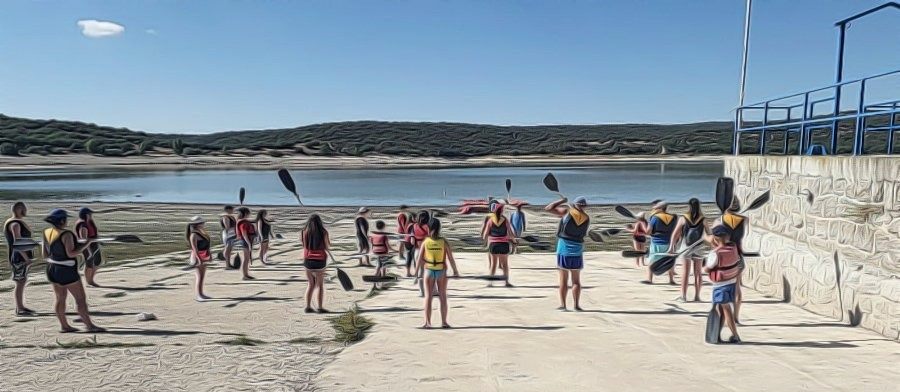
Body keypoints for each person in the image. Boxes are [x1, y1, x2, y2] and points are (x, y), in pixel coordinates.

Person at [41, 209, 105, 333]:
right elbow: (71, 253)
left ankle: (64, 326)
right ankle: (89, 326)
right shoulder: (67, 234)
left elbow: (45, 254)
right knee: (80, 299)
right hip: (67, 270)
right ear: (62, 220)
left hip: (52, 269)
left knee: (60, 298)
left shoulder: (47, 232)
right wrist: (87, 244)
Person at [545, 196, 590, 311]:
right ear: (584, 206)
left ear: (575, 204)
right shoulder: (586, 218)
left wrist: (562, 201)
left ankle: (563, 305)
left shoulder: (566, 212)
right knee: (576, 281)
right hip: (577, 251)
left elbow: (549, 208)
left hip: (564, 249)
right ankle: (576, 305)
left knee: (563, 280)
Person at [416, 218, 459, 329]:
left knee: (428, 297)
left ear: (428, 228)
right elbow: (450, 258)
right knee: (443, 296)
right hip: (442, 271)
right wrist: (455, 271)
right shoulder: (443, 241)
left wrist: (416, 273)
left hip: (429, 271)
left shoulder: (426, 241)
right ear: (439, 228)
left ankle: (428, 323)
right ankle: (444, 322)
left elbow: (419, 258)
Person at [702, 226, 743, 344]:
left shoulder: (714, 254)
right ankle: (717, 336)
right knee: (722, 308)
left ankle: (735, 335)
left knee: (726, 309)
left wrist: (703, 267)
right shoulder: (733, 247)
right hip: (731, 281)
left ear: (715, 237)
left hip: (720, 285)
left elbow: (707, 269)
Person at [669, 198, 708, 302]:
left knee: (685, 272)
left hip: (686, 247)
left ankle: (683, 296)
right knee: (698, 273)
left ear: (689, 206)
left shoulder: (683, 218)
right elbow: (709, 234)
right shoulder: (703, 219)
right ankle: (697, 296)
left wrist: (671, 247)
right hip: (699, 247)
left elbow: (675, 234)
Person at [719, 197, 749, 324]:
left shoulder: (720, 220)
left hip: (724, 256)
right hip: (738, 254)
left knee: (722, 287)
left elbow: (715, 240)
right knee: (737, 287)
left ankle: (725, 317)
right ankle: (735, 317)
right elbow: (746, 237)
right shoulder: (745, 220)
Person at [4, 202, 35, 316]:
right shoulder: (15, 224)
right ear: (19, 209)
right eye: (24, 208)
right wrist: (26, 258)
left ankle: (21, 307)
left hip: (19, 256)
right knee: (20, 282)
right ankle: (19, 308)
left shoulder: (15, 222)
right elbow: (17, 242)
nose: (26, 211)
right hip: (19, 257)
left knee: (22, 281)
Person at [481, 202, 515, 287]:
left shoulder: (490, 220)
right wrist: (514, 241)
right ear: (502, 211)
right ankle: (506, 282)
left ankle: (490, 283)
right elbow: (510, 234)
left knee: (493, 264)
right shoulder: (505, 220)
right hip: (504, 244)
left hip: (493, 244)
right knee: (505, 264)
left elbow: (485, 234)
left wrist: (485, 242)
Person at [301, 214, 330, 313]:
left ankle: (308, 307)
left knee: (310, 284)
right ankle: (320, 307)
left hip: (308, 260)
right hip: (320, 260)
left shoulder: (304, 232)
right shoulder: (324, 232)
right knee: (320, 285)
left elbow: (304, 245)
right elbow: (327, 246)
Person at [646, 201, 677, 285]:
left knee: (652, 260)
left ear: (660, 209)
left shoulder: (654, 218)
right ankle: (671, 280)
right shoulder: (672, 217)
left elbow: (648, 231)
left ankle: (649, 279)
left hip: (656, 242)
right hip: (669, 242)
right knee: (669, 261)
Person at [74, 207, 102, 287]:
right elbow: (84, 239)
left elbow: (93, 233)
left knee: (98, 261)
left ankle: (91, 280)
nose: (91, 215)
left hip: (94, 244)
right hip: (87, 246)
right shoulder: (83, 224)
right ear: (86, 215)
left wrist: (98, 240)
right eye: (90, 214)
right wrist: (88, 249)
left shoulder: (89, 222)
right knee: (89, 262)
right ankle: (89, 282)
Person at [187, 216, 212, 301]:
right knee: (199, 276)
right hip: (197, 256)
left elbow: (208, 245)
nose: (204, 224)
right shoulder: (194, 235)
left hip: (204, 255)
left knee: (202, 276)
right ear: (198, 224)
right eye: (202, 223)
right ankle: (199, 295)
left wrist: (209, 254)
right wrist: (199, 259)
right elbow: (195, 248)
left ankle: (201, 293)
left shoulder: (202, 232)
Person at [408, 210, 431, 296]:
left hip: (417, 250)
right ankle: (433, 290)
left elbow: (412, 242)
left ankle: (421, 291)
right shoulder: (428, 227)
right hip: (427, 251)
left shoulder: (414, 226)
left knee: (420, 272)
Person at [235, 207, 256, 280]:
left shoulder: (243, 221)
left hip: (246, 241)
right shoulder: (243, 223)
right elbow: (244, 234)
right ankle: (244, 275)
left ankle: (246, 274)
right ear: (246, 213)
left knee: (247, 259)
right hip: (245, 241)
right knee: (246, 259)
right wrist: (249, 243)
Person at [397, 205, 415, 277]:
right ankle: (400, 255)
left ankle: (401, 255)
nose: (407, 210)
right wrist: (406, 232)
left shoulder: (400, 215)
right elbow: (402, 224)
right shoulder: (402, 215)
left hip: (402, 230)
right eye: (406, 209)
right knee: (401, 243)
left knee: (402, 244)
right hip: (402, 231)